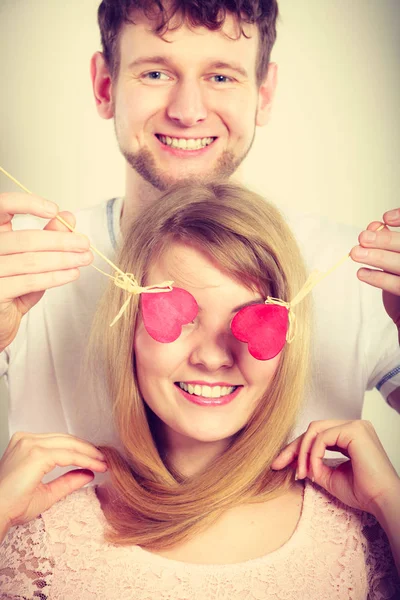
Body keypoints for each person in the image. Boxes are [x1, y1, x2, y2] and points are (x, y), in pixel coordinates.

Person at [0, 0, 399, 452]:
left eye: (221, 76)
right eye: (155, 73)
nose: (188, 112)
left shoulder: (358, 269)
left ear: (264, 94)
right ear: (104, 86)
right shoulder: (23, 267)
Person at [0, 182, 399, 598]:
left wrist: (390, 501)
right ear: (129, 328)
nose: (212, 357)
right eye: (179, 315)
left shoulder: (368, 530)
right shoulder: (43, 543)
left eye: (254, 319)